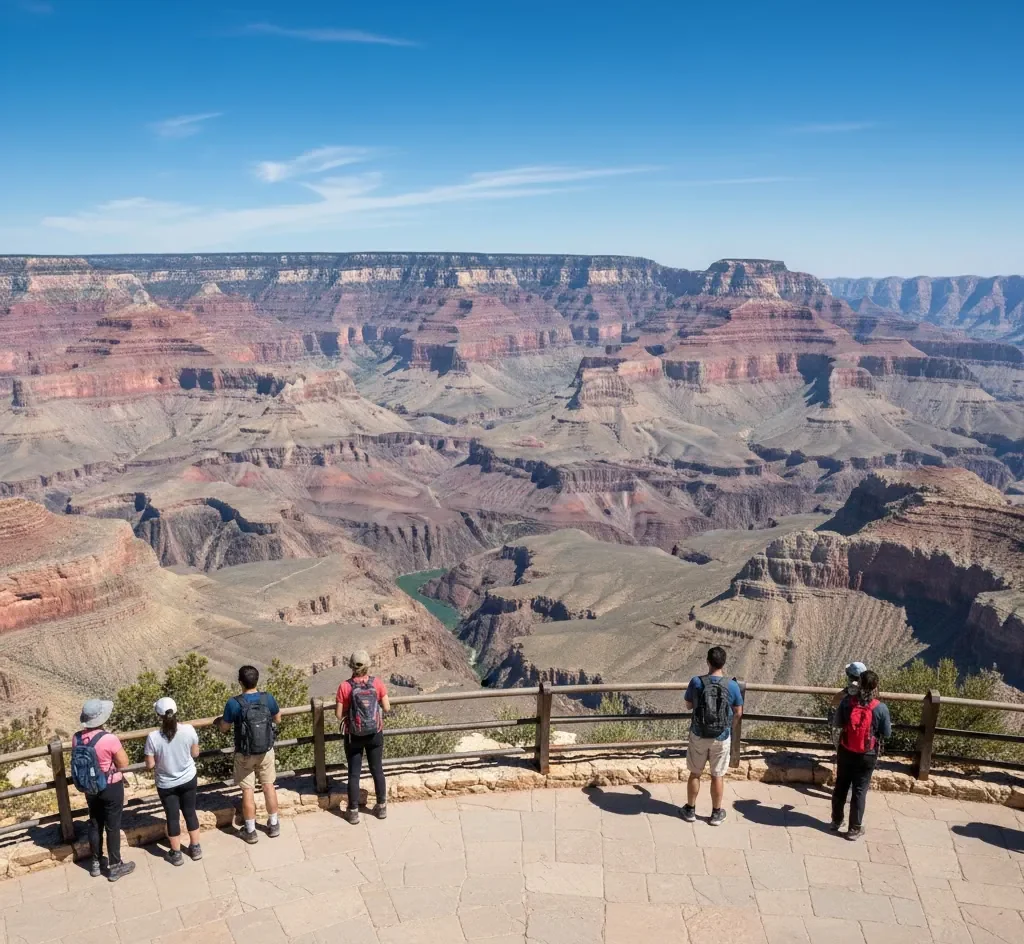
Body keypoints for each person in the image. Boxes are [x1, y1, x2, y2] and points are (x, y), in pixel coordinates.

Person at [217, 665, 281, 844]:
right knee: (269, 786)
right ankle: (274, 824)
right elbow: (278, 718)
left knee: (247, 790)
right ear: (257, 680)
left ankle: (251, 831)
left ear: (240, 682)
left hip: (244, 753)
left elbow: (224, 727)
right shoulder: (267, 698)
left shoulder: (234, 703)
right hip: (266, 751)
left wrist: (218, 722)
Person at [680, 646, 744, 826]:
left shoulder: (696, 682)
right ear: (723, 663)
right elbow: (738, 712)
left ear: (707, 662)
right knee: (717, 775)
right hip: (721, 736)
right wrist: (728, 728)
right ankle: (716, 813)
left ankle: (690, 810)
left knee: (695, 773)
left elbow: (688, 705)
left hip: (699, 734)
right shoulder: (732, 685)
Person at [73, 699, 135, 881]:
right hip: (110, 785)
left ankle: (95, 863)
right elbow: (124, 763)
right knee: (112, 826)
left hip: (89, 786)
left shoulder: (76, 738)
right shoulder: (109, 739)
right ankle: (115, 866)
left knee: (94, 823)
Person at [830, 669, 891, 840]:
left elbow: (837, 723)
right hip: (868, 754)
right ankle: (854, 829)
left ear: (859, 684)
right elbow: (886, 733)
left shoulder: (847, 702)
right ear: (875, 687)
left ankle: (836, 821)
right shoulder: (880, 708)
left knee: (841, 785)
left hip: (846, 750)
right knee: (859, 790)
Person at [145, 697, 202, 865]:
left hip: (166, 783)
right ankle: (195, 847)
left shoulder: (153, 737)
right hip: (188, 778)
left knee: (172, 816)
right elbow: (195, 753)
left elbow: (150, 764)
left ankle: (176, 853)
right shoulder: (189, 730)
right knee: (190, 812)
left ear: (158, 716)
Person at [336, 650, 390, 824]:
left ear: (351, 665)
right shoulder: (377, 683)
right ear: (368, 665)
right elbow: (387, 707)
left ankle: (353, 812)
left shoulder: (345, 686)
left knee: (354, 773)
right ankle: (381, 807)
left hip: (354, 735)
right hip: (375, 733)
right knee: (377, 769)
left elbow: (338, 714)